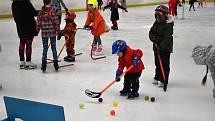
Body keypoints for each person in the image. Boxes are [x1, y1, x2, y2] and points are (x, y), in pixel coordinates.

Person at [149, 5, 174, 87]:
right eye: (156, 16)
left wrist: (161, 47)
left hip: (165, 48)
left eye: (159, 16)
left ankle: (163, 79)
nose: (157, 18)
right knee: (157, 63)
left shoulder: (168, 25)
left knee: (164, 64)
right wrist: (153, 38)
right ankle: (157, 76)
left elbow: (167, 38)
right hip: (156, 47)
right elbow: (151, 32)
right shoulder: (156, 22)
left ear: (165, 15)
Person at [12, 0, 39, 69]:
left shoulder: (14, 3)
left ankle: (22, 61)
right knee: (28, 44)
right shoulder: (26, 2)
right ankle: (28, 61)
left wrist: (19, 23)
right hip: (29, 25)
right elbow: (33, 12)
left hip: (20, 26)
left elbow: (15, 16)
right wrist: (41, 12)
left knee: (22, 42)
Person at [36, 0, 60, 72]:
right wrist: (58, 30)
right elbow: (56, 22)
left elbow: (38, 23)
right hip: (52, 33)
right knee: (53, 48)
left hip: (44, 33)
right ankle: (56, 64)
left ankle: (44, 65)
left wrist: (37, 30)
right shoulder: (52, 11)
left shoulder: (40, 12)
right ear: (50, 2)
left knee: (45, 48)